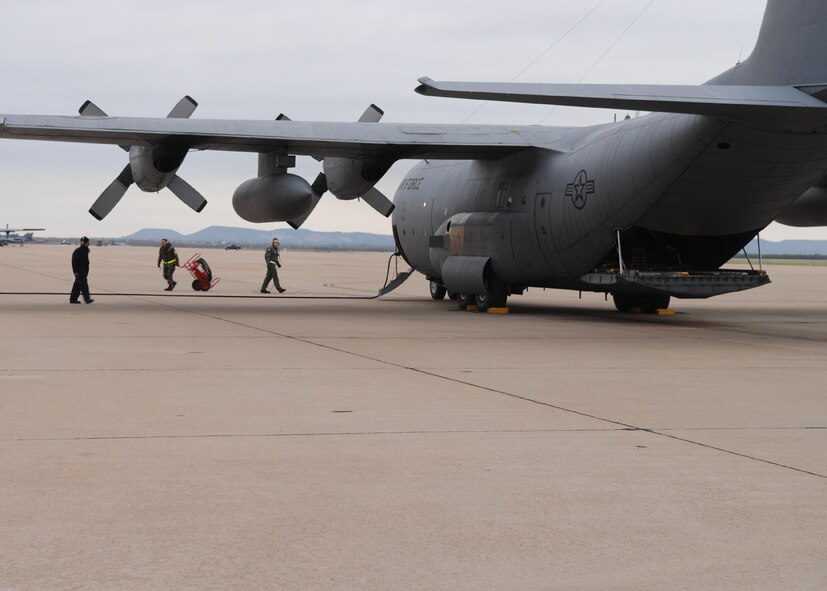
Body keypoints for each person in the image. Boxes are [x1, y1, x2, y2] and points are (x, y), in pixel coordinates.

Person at [69, 236, 94, 304]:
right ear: (84, 243)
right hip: (80, 271)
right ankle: (87, 299)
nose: (89, 243)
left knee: (77, 285)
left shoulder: (85, 250)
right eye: (87, 242)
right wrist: (75, 271)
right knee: (84, 285)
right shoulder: (78, 251)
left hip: (84, 271)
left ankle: (73, 299)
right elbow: (74, 261)